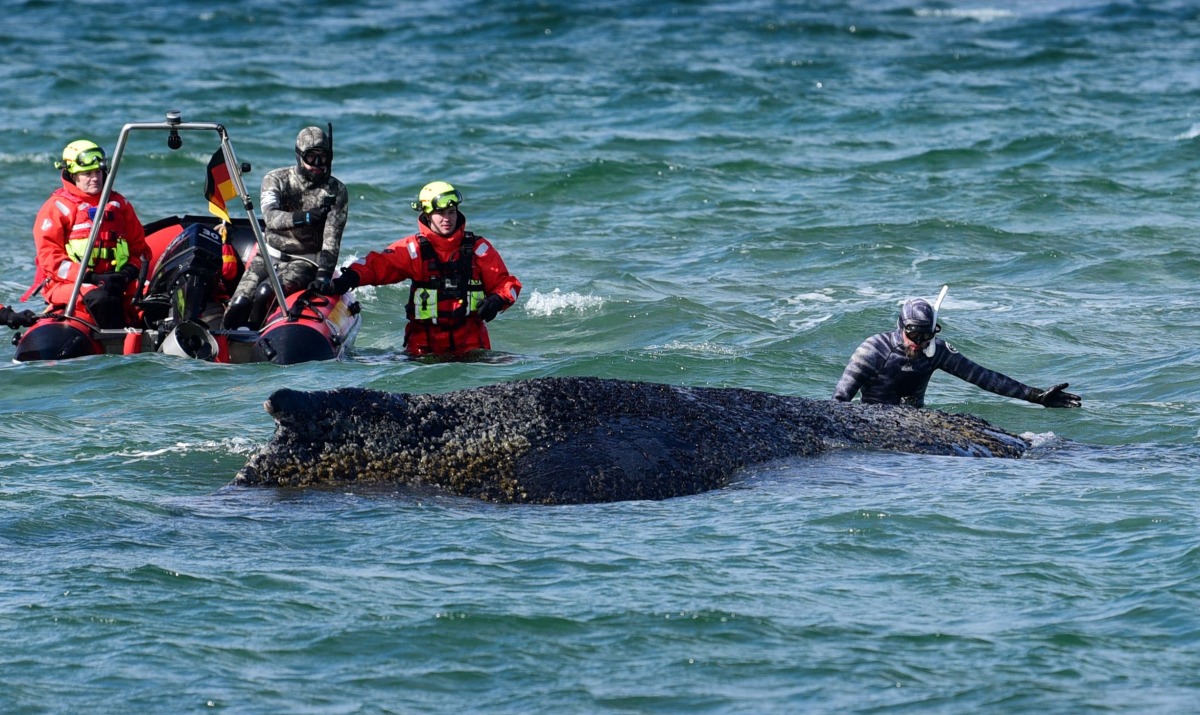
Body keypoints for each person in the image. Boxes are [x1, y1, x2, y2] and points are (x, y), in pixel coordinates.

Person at [316, 181, 521, 357]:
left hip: (473, 350)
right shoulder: (413, 250)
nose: (447, 218)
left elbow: (507, 285)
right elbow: (376, 266)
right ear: (426, 214)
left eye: (451, 212)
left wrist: (497, 300)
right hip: (423, 353)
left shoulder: (479, 249)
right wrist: (346, 280)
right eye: (440, 213)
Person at [833, 296, 1081, 409]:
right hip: (873, 419)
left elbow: (983, 377)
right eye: (913, 334)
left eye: (926, 335)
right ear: (900, 327)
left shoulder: (935, 351)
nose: (919, 342)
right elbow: (840, 400)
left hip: (916, 421)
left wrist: (1036, 396)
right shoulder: (873, 349)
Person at [223, 125, 349, 329]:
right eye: (311, 157)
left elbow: (332, 238)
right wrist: (304, 217)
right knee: (239, 304)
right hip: (267, 255)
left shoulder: (336, 191)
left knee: (265, 294)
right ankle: (222, 344)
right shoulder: (276, 179)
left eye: (323, 157)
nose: (317, 164)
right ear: (299, 156)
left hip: (305, 261)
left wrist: (324, 275)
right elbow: (271, 217)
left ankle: (255, 342)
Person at [29, 140, 150, 329]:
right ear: (73, 175)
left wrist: (127, 274)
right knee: (101, 298)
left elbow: (140, 250)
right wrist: (90, 277)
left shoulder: (119, 204)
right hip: (70, 284)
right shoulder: (57, 208)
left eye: (98, 172)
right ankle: (117, 344)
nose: (95, 178)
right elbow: (50, 260)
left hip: (117, 279)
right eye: (87, 173)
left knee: (155, 294)